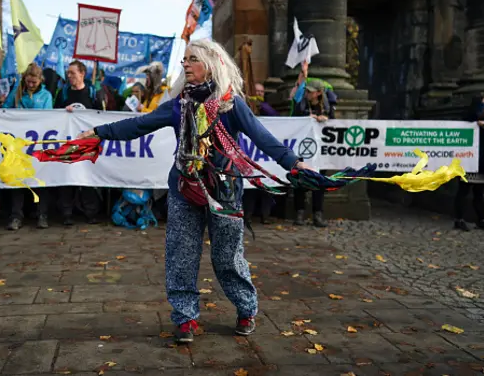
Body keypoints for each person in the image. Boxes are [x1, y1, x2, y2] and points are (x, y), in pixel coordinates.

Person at [76, 39, 313, 343]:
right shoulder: (177, 106)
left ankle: (245, 309)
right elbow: (138, 125)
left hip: (224, 190)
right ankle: (185, 318)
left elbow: (261, 136)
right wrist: (97, 132)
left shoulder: (231, 104)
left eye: (192, 59)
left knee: (227, 257)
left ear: (211, 64)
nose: (184, 64)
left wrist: (294, 163)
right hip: (184, 188)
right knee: (181, 254)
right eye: (184, 59)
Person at [3, 63, 53, 230]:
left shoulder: (46, 95)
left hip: (38, 144)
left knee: (40, 179)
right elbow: (4, 110)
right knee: (18, 179)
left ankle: (42, 214)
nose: (31, 85)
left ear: (40, 80)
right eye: (29, 82)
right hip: (18, 144)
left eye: (34, 82)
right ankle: (16, 215)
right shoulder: (17, 92)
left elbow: (49, 117)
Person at [53, 60, 102, 225]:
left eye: (72, 73)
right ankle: (66, 213)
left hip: (87, 144)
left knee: (87, 177)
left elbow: (101, 115)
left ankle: (91, 213)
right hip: (68, 143)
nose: (69, 76)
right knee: (67, 177)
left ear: (82, 74)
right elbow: (52, 116)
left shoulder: (92, 93)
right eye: (68, 73)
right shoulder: (63, 94)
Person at [290, 63, 335, 227]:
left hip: (321, 151)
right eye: (307, 91)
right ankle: (299, 213)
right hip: (303, 149)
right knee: (301, 181)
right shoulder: (301, 104)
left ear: (318, 93)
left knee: (319, 183)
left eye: (310, 91)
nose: (307, 93)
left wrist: (326, 120)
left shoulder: (327, 107)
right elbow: (294, 119)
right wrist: (306, 117)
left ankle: (318, 214)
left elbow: (335, 126)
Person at [453, 96, 484, 231]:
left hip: (482, 161)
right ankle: (459, 219)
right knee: (463, 190)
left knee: (479, 192)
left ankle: (481, 219)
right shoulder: (468, 118)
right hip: (468, 161)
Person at [243, 83, 279, 226]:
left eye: (262, 92)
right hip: (250, 154)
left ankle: (265, 215)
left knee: (267, 186)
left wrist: (260, 104)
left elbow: (275, 116)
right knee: (250, 187)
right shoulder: (244, 107)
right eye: (256, 91)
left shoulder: (266, 108)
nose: (259, 93)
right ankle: (248, 216)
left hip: (264, 155)